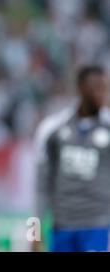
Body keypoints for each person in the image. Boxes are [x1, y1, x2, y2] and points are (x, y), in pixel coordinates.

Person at [34, 65, 110, 252]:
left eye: (104, 88)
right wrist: (34, 233)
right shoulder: (52, 130)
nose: (103, 94)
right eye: (97, 87)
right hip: (62, 226)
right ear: (82, 88)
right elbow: (40, 187)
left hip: (97, 226)